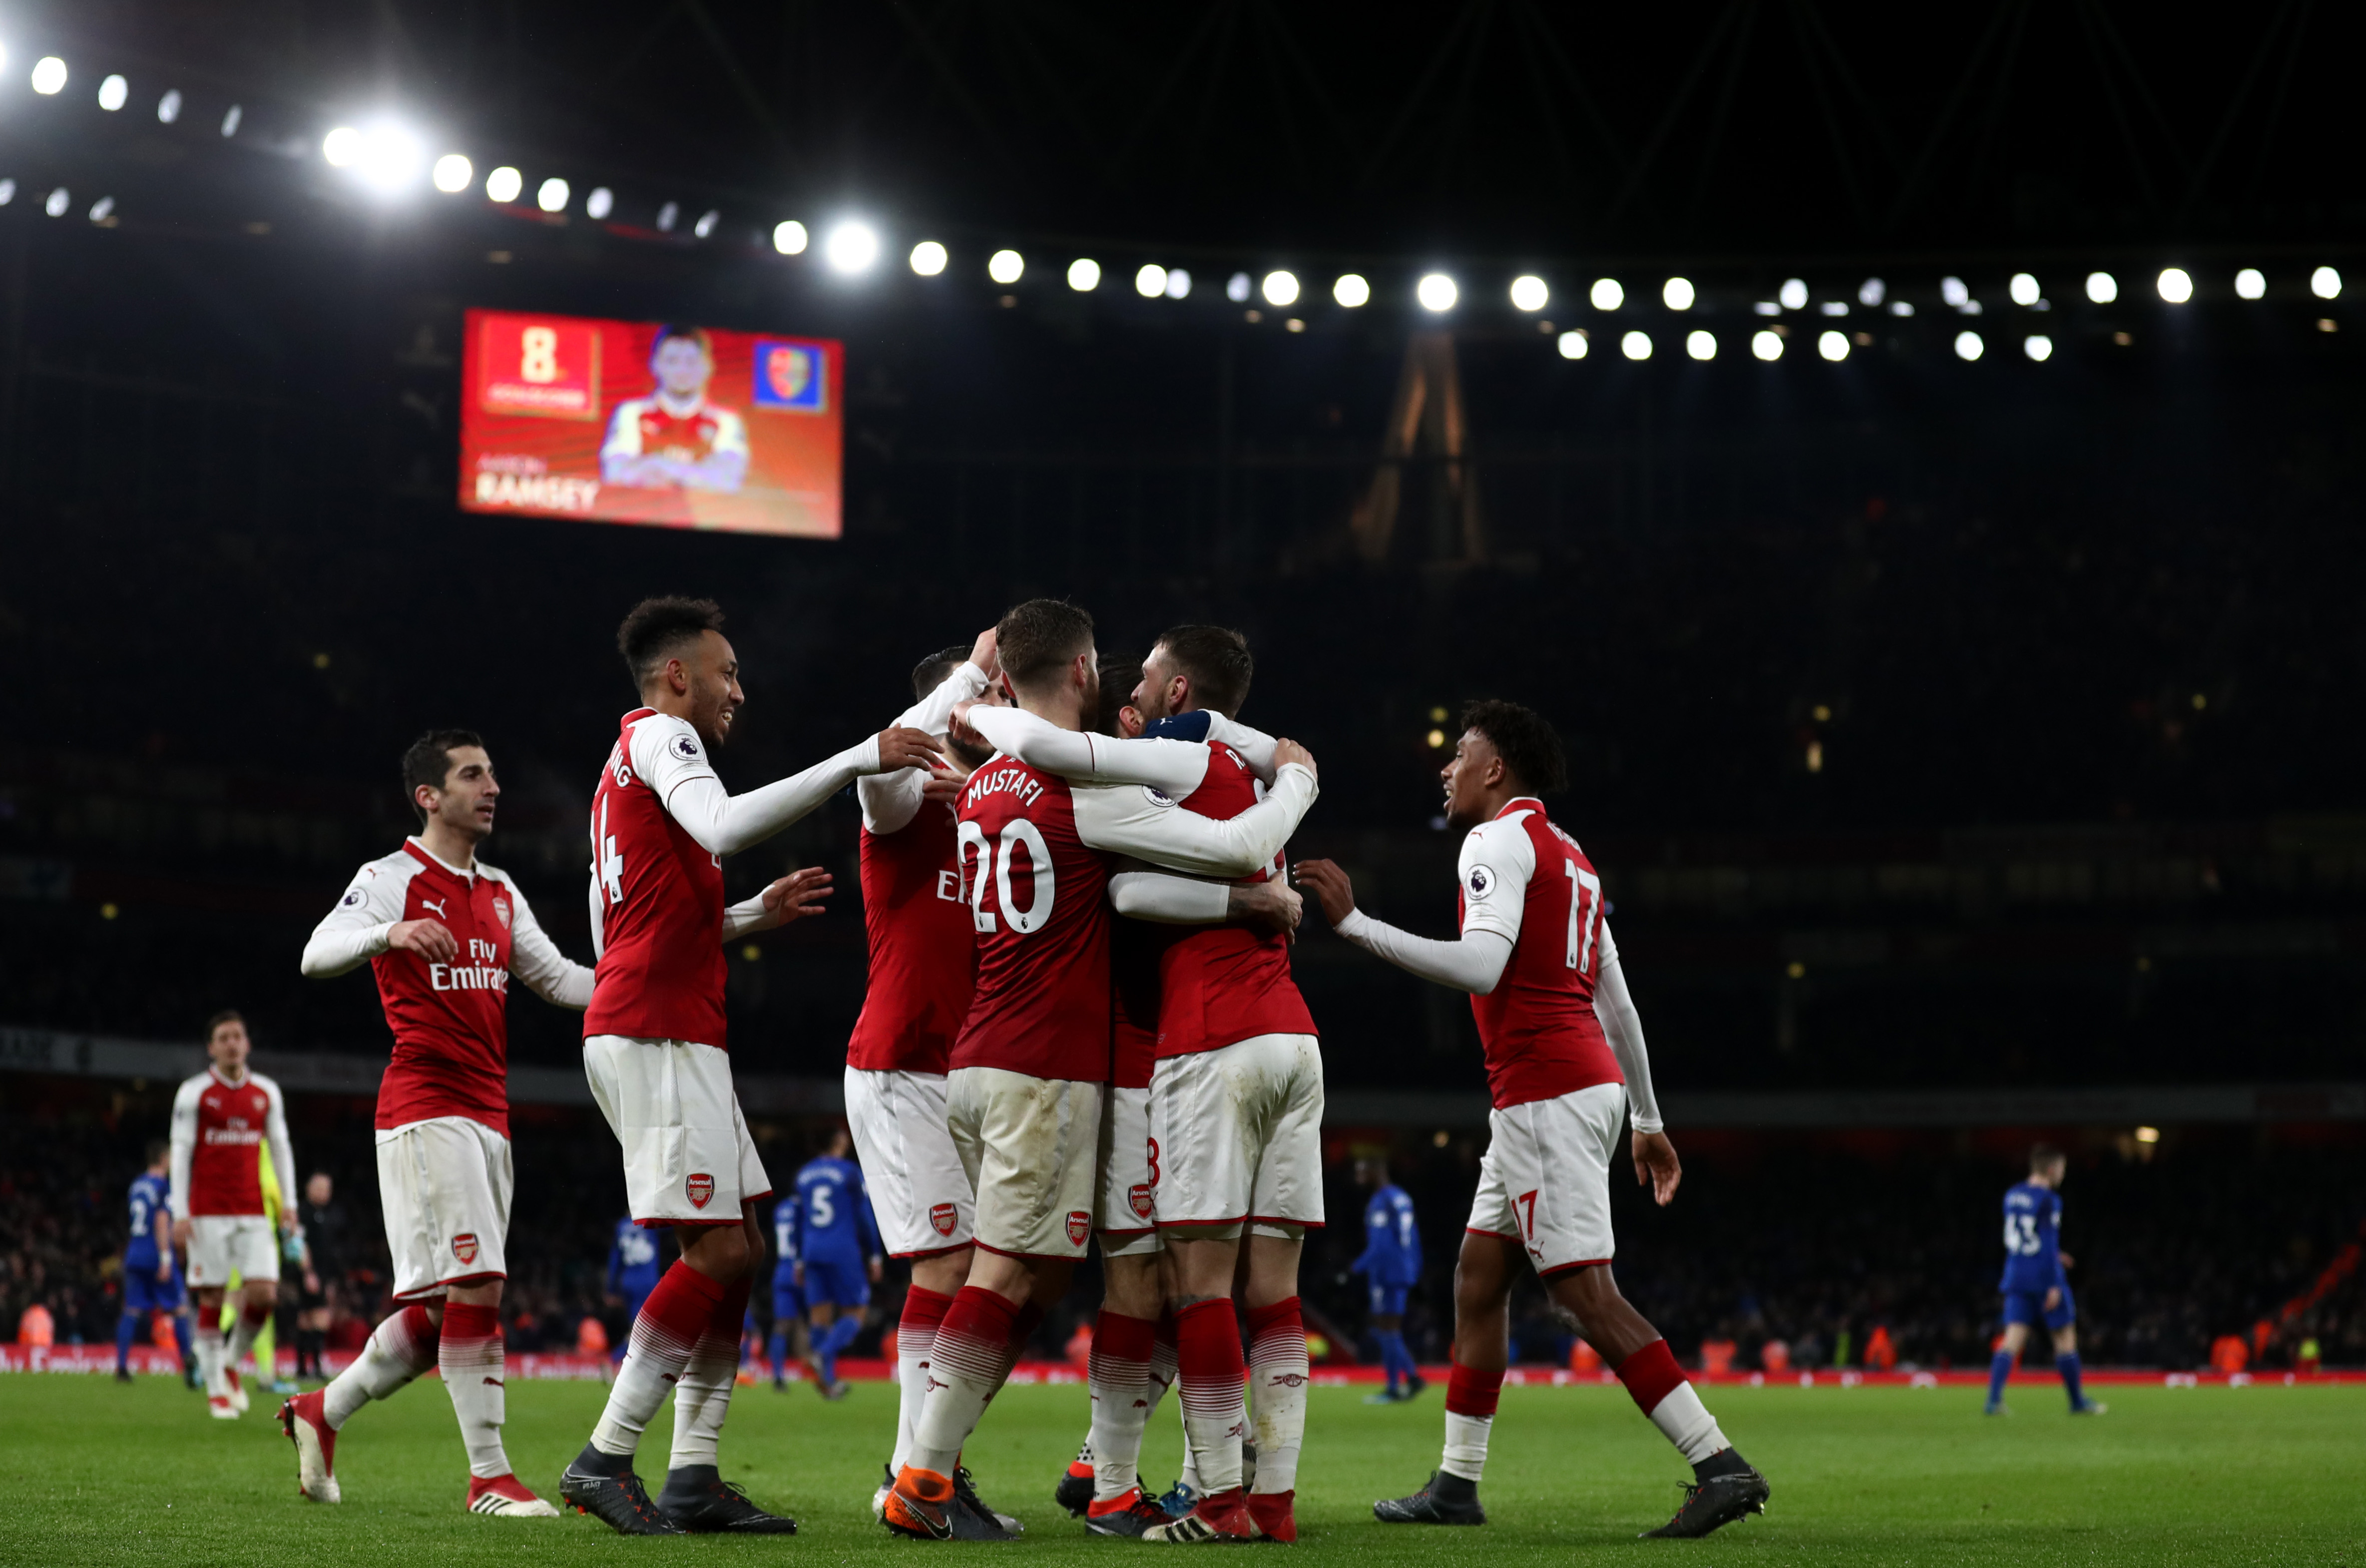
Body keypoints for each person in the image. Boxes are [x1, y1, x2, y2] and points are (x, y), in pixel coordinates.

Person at [880, 599, 1319, 1542]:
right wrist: (1264, 864)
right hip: (1063, 1067)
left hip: (989, 1051)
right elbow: (1190, 860)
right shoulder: (1089, 792)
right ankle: (924, 1472)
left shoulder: (984, 779)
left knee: (1079, 1275)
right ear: (1084, 673)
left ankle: (1100, 1478)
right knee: (1033, 1274)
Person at [1297, 700, 1770, 1540]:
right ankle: (1455, 1483)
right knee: (1478, 1279)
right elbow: (1615, 997)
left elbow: (1482, 966)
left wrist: (1354, 925)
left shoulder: (1493, 841)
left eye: (1459, 753)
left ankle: (1718, 1461)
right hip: (1569, 1088)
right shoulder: (1573, 856)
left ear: (1496, 768)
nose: (1444, 769)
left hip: (1547, 1092)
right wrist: (1648, 1116)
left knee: (1585, 1295)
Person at [558, 595, 940, 1536]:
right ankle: (604, 1456)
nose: (739, 689)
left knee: (739, 1250)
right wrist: (859, 755)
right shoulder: (662, 737)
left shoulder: (620, 772)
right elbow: (723, 827)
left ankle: (693, 1476)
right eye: (726, 671)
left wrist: (741, 919)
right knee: (721, 1251)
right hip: (654, 1025)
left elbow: (619, 931)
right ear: (677, 673)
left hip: (663, 1014)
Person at [282, 729, 617, 1516]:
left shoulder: (499, 889)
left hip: (489, 1114)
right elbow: (315, 952)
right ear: (428, 795)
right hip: (425, 1106)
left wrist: (703, 942)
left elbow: (568, 981)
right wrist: (387, 933)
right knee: (478, 1284)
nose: (491, 785)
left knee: (442, 1314)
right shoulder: (391, 877)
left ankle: (320, 1411)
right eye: (472, 775)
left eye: (494, 772)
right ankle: (489, 1476)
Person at [839, 628, 1018, 1533]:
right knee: (950, 1263)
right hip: (900, 1060)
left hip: (974, 1075)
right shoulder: (905, 801)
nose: (1009, 711)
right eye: (994, 698)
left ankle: (923, 1466)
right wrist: (970, 673)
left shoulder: (997, 807)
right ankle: (920, 1478)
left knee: (988, 1278)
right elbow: (872, 775)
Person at [169, 1011, 298, 1421]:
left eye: (237, 1036)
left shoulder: (266, 1092)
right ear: (211, 1047)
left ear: (247, 1043)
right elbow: (182, 1152)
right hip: (207, 1212)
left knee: (264, 1295)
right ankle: (215, 1391)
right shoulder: (194, 1093)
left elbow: (280, 1147)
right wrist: (180, 1210)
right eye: (223, 1037)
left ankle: (229, 1361)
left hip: (254, 1211)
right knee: (211, 1296)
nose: (231, 1043)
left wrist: (290, 1202)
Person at [1985, 1144, 2106, 1416]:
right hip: (2043, 1276)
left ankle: (1993, 1401)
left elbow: (2023, 1237)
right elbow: (2048, 1240)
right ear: (2051, 1169)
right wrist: (2053, 1282)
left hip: (2016, 1274)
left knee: (2012, 1339)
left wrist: (2052, 1254)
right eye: (2062, 1169)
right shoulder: (2050, 1199)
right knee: (2065, 1338)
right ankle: (2077, 1402)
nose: (2063, 1174)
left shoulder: (2012, 1195)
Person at [599, 325, 748, 492]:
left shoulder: (727, 420)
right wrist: (697, 473)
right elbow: (615, 474)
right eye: (672, 361)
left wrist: (657, 466)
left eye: (691, 362)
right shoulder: (630, 413)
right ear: (655, 365)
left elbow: (729, 480)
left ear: (708, 367)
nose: (682, 371)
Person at [796, 1128, 884, 1396]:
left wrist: (799, 1259)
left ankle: (828, 1383)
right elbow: (864, 1215)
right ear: (838, 1142)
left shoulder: (804, 1174)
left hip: (811, 1250)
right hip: (842, 1250)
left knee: (820, 1317)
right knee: (857, 1312)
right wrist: (875, 1254)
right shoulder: (848, 1172)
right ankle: (821, 1354)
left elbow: (800, 1220)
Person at [1353, 1155, 1426, 1405]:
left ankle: (1399, 1385)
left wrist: (1356, 1268)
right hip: (1403, 1269)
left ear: (1377, 1169)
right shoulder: (1401, 1196)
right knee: (1388, 1329)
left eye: (1362, 1169)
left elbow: (1381, 1244)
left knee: (1386, 1329)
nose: (1358, 1175)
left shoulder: (1381, 1201)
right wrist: (1413, 1267)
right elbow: (1411, 1237)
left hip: (1386, 1272)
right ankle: (1409, 1379)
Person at [116, 1140, 187, 1383]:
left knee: (132, 1309)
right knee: (179, 1309)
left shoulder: (137, 1185)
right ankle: (190, 1369)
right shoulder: (162, 1186)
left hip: (135, 1253)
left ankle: (122, 1367)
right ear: (163, 1158)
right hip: (156, 1254)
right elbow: (160, 1221)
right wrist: (166, 1258)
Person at [294, 1172, 347, 1382]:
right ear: (309, 1189)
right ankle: (309, 1367)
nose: (324, 1193)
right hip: (309, 1273)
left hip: (325, 1273)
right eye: (320, 1188)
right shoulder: (303, 1213)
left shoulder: (330, 1215)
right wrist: (308, 1273)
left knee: (313, 1318)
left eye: (327, 1189)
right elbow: (299, 1245)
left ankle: (308, 1368)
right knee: (312, 1317)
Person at [765, 1195, 809, 1388]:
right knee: (818, 1321)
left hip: (783, 1272)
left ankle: (777, 1375)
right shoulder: (808, 1207)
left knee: (784, 1325)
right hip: (806, 1272)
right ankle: (826, 1375)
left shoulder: (781, 1208)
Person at [606, 1216, 663, 1365]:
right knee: (647, 1328)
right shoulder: (649, 1221)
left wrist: (611, 1289)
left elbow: (615, 1259)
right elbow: (672, 1224)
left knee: (638, 1326)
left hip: (628, 1281)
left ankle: (629, 1362)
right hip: (647, 1282)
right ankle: (614, 1359)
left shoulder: (622, 1225)